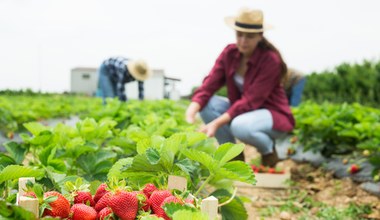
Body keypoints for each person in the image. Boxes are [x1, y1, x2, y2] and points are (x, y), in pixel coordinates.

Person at [185, 8, 295, 167]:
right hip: (244, 112)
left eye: (250, 36)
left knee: (240, 126)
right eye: (240, 35)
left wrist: (215, 124)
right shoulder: (230, 53)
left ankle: (268, 150)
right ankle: (233, 156)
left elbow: (250, 101)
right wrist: (191, 111)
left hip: (271, 114)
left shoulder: (270, 60)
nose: (243, 40)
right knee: (207, 104)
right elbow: (210, 84)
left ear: (260, 36)